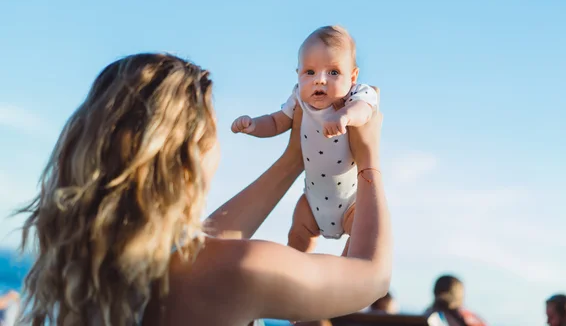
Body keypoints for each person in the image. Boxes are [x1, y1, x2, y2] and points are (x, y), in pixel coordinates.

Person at [16, 53, 391, 326]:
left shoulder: (91, 281)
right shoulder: (232, 272)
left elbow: (205, 245)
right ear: (187, 157)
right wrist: (369, 156)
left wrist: (296, 158)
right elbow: (372, 276)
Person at [231, 25, 378, 255]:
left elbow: (366, 109)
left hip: (351, 201)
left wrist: (345, 116)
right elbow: (277, 121)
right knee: (298, 237)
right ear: (298, 73)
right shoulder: (299, 98)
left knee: (361, 241)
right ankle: (297, 271)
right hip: (312, 200)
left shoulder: (355, 95)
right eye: (309, 72)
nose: (320, 80)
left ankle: (344, 275)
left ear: (352, 76)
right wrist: (254, 125)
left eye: (333, 72)